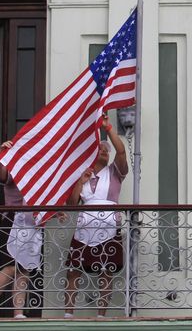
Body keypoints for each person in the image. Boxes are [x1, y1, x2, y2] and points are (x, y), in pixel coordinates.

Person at [63, 114, 128, 318]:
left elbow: (121, 151)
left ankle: (101, 314)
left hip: (108, 228)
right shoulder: (83, 176)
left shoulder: (115, 172)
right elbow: (72, 205)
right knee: (74, 270)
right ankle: (68, 313)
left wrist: (108, 129)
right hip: (84, 228)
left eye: (105, 151)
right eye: (100, 149)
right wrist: (80, 183)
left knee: (106, 271)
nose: (104, 152)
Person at [0, 140, 43, 319]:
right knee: (9, 267)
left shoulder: (39, 176)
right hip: (13, 220)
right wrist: (0, 154)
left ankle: (18, 313)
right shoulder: (14, 170)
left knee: (24, 270)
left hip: (33, 224)